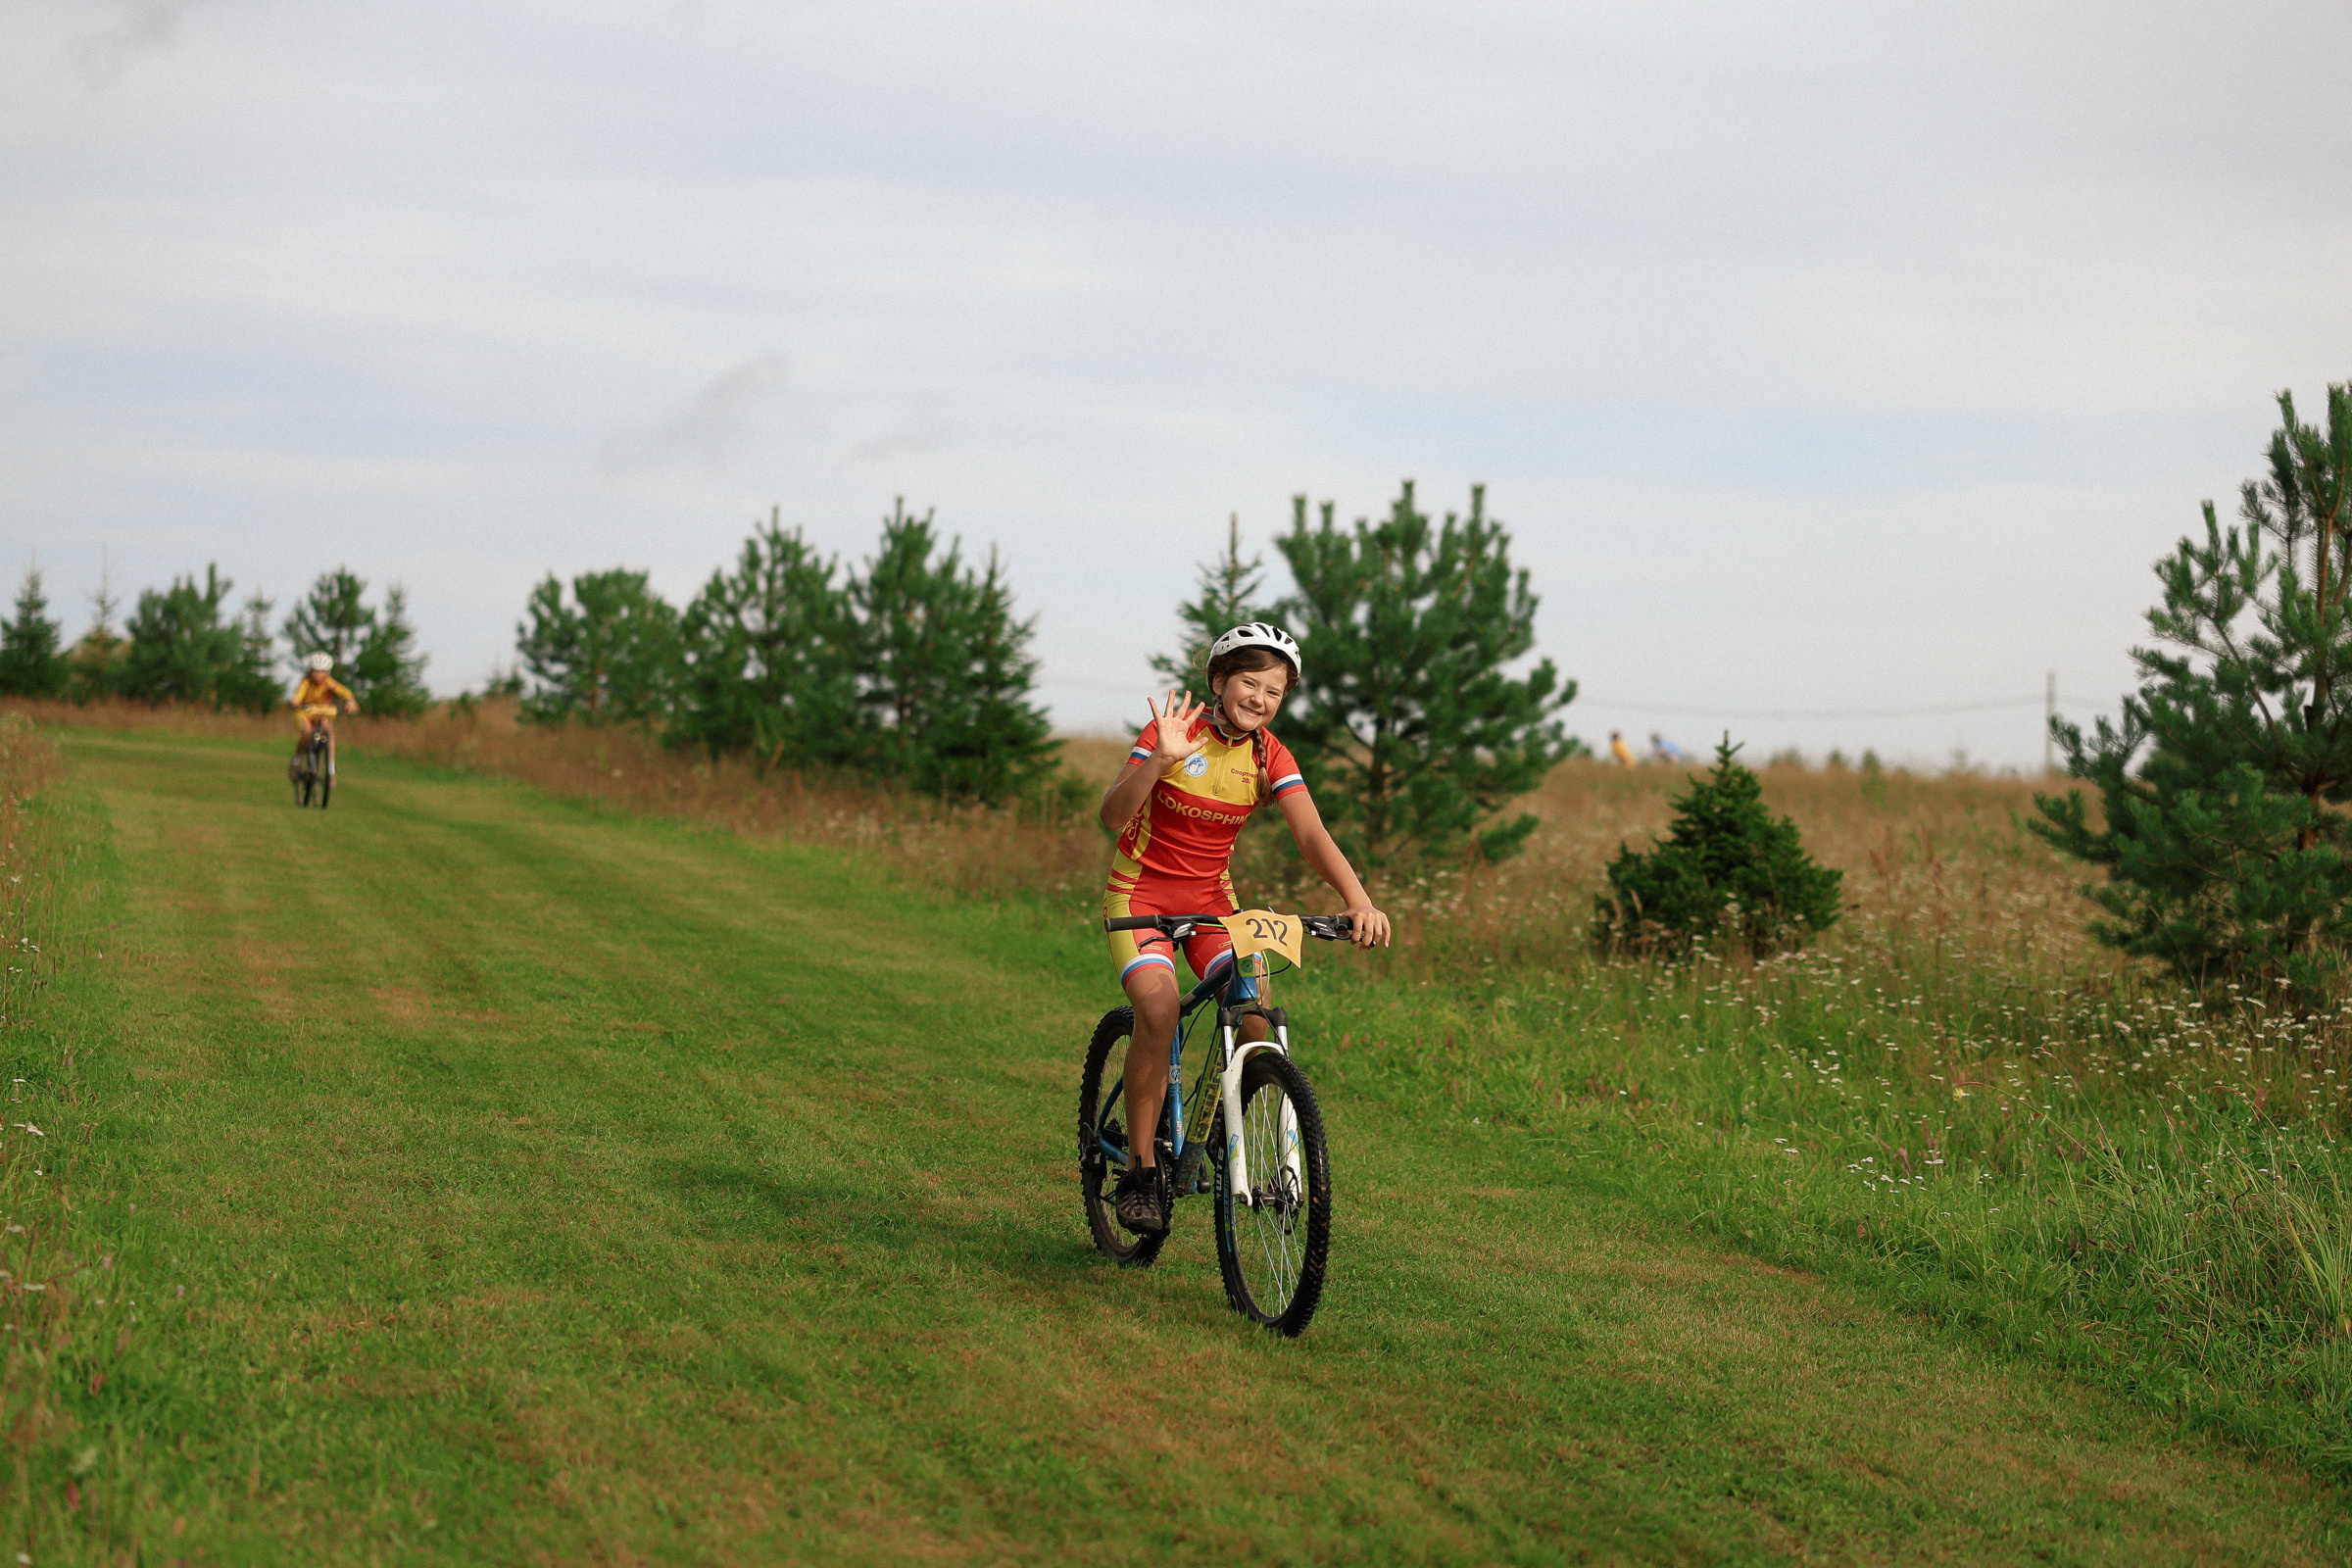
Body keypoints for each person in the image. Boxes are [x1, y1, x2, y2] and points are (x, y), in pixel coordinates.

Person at [1098, 621, 1391, 1237]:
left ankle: (1223, 1122)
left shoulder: (1268, 754)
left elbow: (1310, 834)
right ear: (1219, 681)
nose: (1259, 699)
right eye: (1249, 683)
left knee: (1254, 1009)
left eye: (1274, 691)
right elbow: (1112, 817)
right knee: (1157, 1011)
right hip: (1141, 893)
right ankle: (1142, 1170)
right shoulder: (1172, 734)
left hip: (1211, 901)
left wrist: (1359, 900)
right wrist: (1159, 761)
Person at [289, 653, 358, 778]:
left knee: (329, 732)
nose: (318, 675)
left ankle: (331, 770)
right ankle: (296, 761)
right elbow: (299, 695)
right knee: (307, 732)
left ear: (327, 672)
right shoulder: (306, 683)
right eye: (315, 671)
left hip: (324, 714)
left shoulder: (329, 683)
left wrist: (350, 700)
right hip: (306, 713)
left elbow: (342, 690)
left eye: (322, 671)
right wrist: (296, 702)